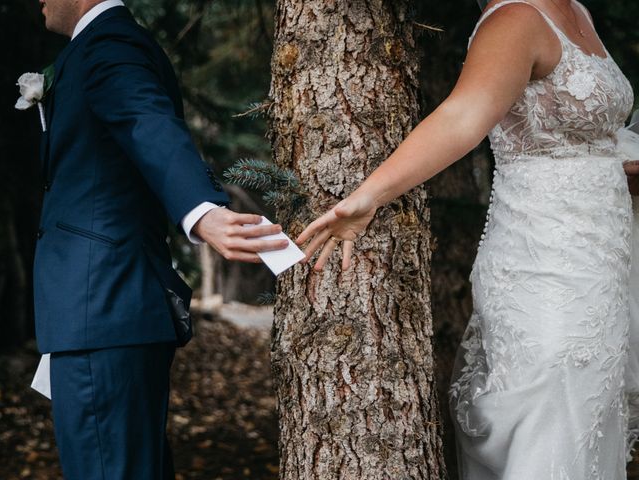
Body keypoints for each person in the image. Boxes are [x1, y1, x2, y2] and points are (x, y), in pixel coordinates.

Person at [297, 0, 639, 477]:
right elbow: (464, 116)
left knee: (589, 406)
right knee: (551, 400)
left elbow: (583, 140)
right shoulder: (515, 18)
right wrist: (369, 196)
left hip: (602, 257)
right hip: (545, 259)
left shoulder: (576, 7)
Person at [35, 0, 288, 478]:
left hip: (101, 303)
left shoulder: (108, 42)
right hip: (97, 306)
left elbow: (144, 119)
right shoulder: (98, 44)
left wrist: (201, 210)